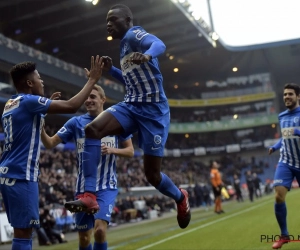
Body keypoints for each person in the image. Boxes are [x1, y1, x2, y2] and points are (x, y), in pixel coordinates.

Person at [64, 4, 191, 229]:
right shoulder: (123, 47)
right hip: (132, 106)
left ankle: (180, 198)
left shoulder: (134, 34)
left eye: (113, 19)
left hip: (153, 113)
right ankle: (90, 195)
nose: (108, 24)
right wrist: (112, 71)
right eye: (107, 21)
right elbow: (131, 80)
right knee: (92, 130)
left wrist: (148, 55)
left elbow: (159, 44)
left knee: (152, 175)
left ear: (128, 19)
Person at [0, 57, 103, 250]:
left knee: (21, 232)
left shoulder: (10, 104)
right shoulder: (29, 101)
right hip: (22, 175)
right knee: (24, 234)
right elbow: (72, 106)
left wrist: (43, 111)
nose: (42, 82)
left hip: (7, 173)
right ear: (30, 83)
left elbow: (26, 124)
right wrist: (93, 80)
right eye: (39, 78)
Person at [41, 85, 134, 250]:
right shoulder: (75, 123)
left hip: (106, 186)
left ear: (103, 100)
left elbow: (130, 151)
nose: (88, 100)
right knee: (84, 238)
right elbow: (49, 143)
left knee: (99, 230)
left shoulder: (116, 122)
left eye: (93, 97)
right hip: (83, 189)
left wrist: (113, 150)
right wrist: (40, 122)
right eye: (87, 97)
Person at [268, 83, 300, 249]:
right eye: (285, 94)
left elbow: (294, 133)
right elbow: (285, 137)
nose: (287, 97)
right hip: (286, 161)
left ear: (298, 96)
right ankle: (284, 235)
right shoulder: (281, 116)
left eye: (290, 94)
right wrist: (275, 146)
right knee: (279, 196)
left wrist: (298, 132)